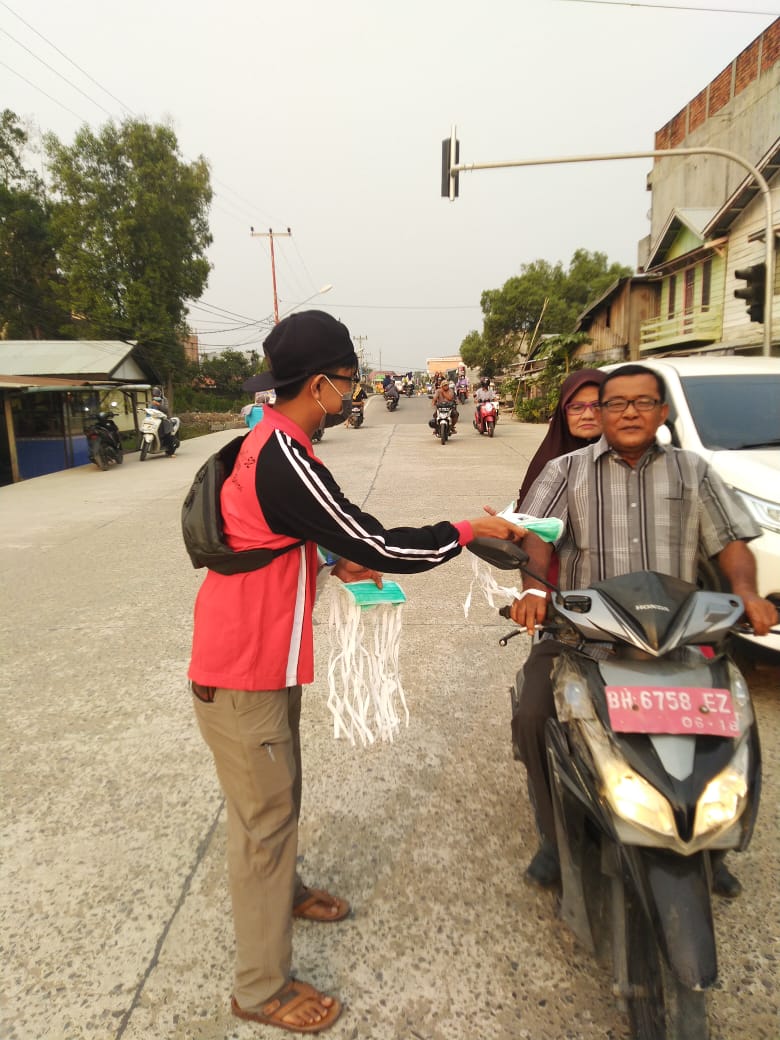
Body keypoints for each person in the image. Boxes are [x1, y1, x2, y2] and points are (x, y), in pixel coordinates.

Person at [187, 310, 526, 1034]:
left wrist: (331, 556)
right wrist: (467, 531)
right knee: (263, 821)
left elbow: (296, 537)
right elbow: (377, 541)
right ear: (319, 384)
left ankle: (288, 889)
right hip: (240, 669)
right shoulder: (283, 457)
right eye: (349, 384)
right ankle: (259, 987)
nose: (354, 396)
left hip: (259, 662)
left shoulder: (276, 443)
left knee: (279, 798)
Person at [509, 363, 778, 897]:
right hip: (587, 637)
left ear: (662, 412)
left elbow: (731, 542)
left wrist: (746, 591)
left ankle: (713, 839)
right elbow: (537, 537)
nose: (629, 412)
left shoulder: (693, 471)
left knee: (729, 721)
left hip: (678, 636)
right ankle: (553, 836)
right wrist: (537, 589)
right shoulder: (566, 470)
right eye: (616, 403)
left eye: (643, 402)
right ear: (600, 412)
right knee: (533, 715)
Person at [515, 368, 606, 506]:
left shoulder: (630, 460)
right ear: (563, 413)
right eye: (577, 407)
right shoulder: (548, 464)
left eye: (598, 405)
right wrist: (509, 522)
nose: (588, 415)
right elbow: (528, 516)